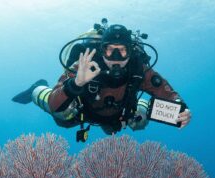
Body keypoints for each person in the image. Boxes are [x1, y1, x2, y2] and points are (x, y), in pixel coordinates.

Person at [12, 23, 191, 141]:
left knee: (137, 123)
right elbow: (54, 105)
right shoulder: (84, 64)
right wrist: (75, 84)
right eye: (109, 50)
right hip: (83, 111)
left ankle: (142, 107)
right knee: (62, 116)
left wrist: (179, 107)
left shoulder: (138, 68)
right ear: (101, 50)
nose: (115, 58)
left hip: (117, 114)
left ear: (130, 52)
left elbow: (165, 91)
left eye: (122, 51)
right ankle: (36, 89)